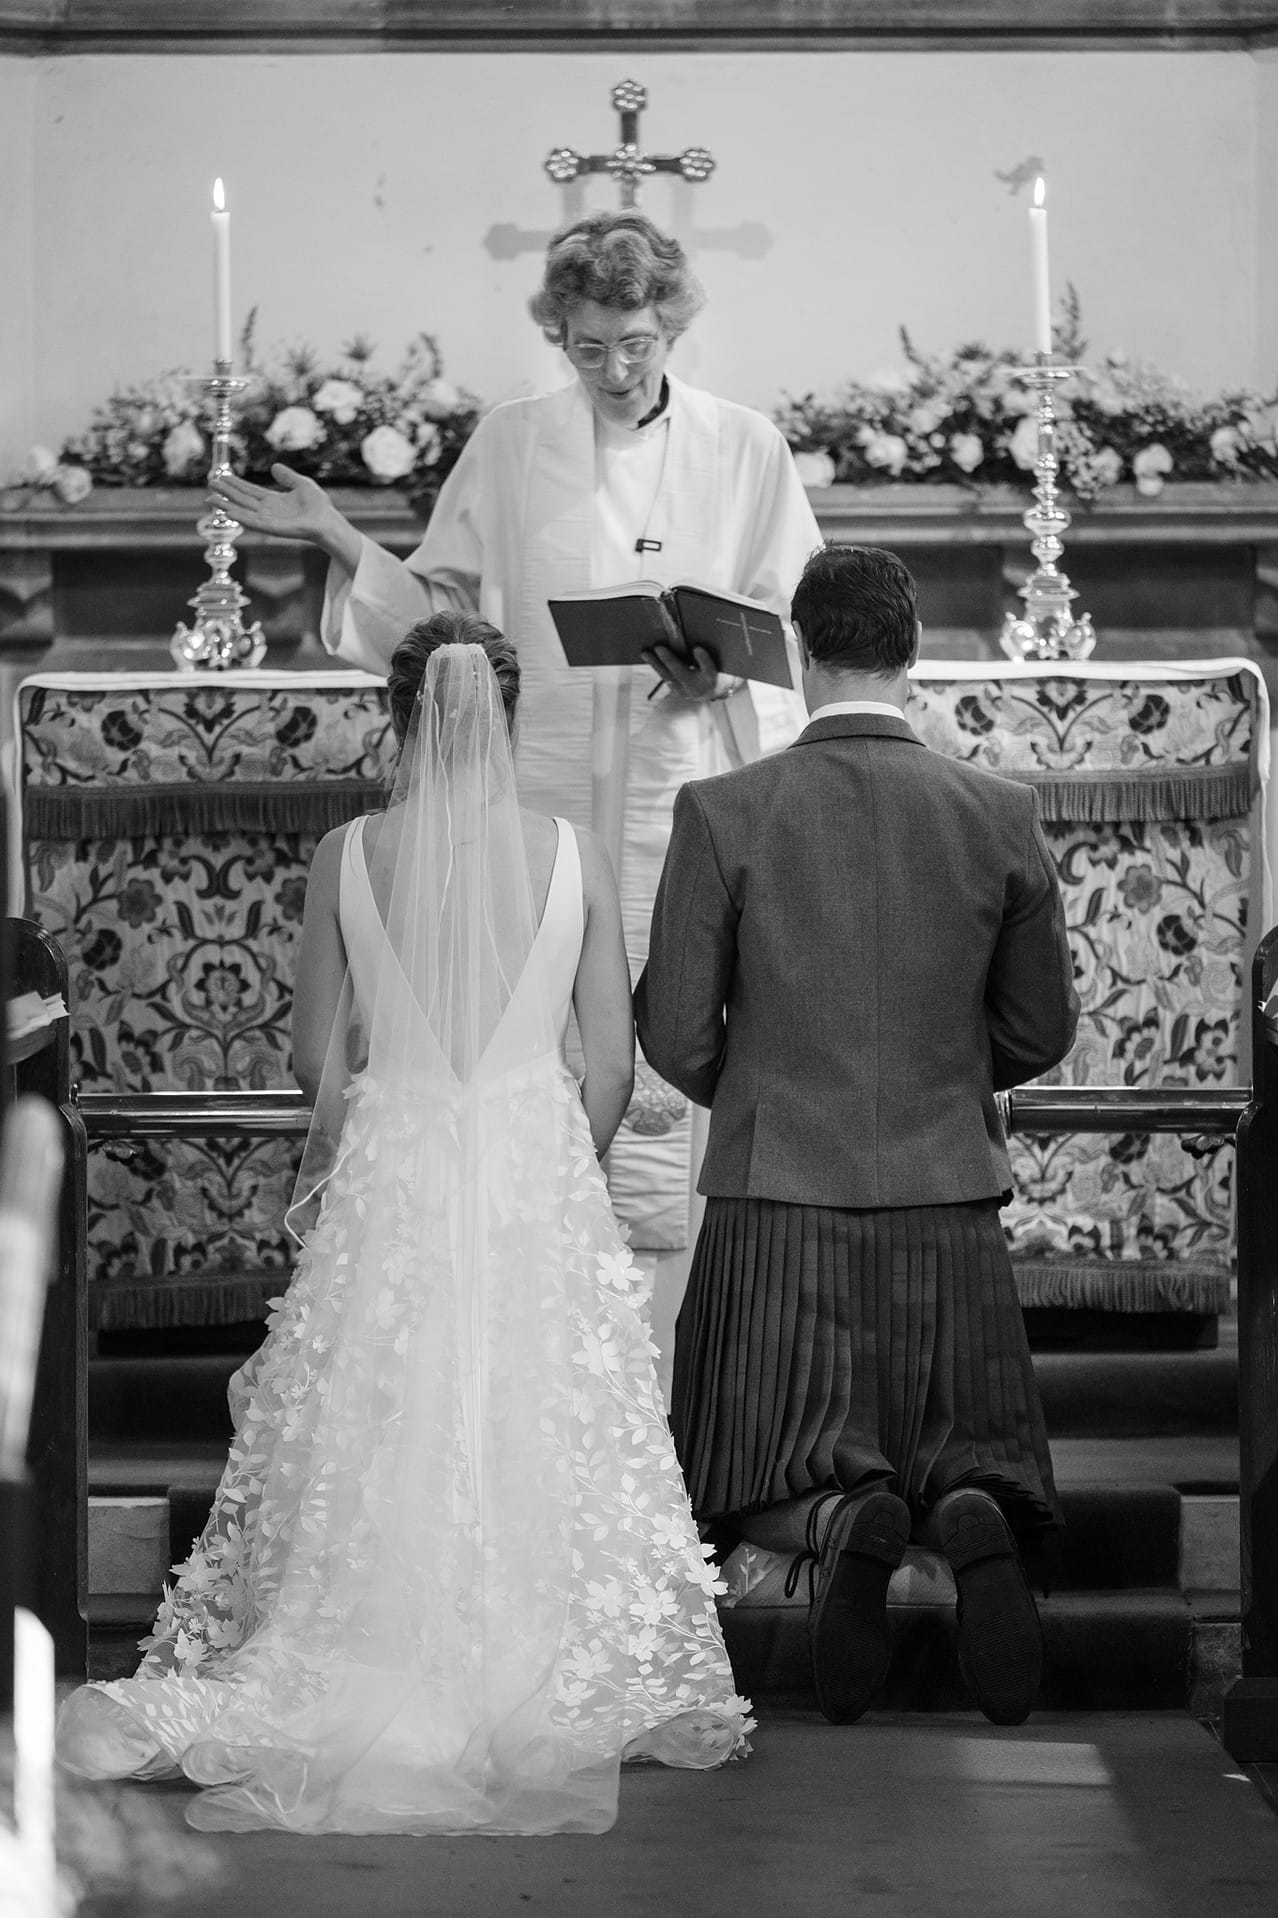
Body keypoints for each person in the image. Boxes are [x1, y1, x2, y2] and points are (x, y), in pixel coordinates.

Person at [56, 612, 753, 1836]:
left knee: (386, 1410)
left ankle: (379, 1648)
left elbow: (315, 1054)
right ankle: (543, 1660)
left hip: (396, 1160)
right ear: (511, 710)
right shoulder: (575, 851)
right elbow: (608, 1055)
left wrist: (366, 1136)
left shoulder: (346, 854)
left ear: (397, 715)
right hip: (533, 1161)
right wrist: (558, 1161)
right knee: (534, 1407)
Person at [211, 208, 820, 1283]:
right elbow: (445, 622)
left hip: (692, 775)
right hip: (535, 795)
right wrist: (342, 539)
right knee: (541, 1034)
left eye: (636, 344)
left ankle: (686, 1320)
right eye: (588, 347)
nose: (615, 368)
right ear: (558, 334)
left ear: (672, 324)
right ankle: (533, 1268)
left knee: (685, 1010)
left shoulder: (746, 444)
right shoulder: (513, 438)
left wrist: (722, 666)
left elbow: (796, 627)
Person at [634, 544, 1080, 1730]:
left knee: (741, 1466)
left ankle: (837, 1523)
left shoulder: (724, 809)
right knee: (961, 1445)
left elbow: (673, 1028)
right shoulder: (998, 810)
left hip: (777, 1200)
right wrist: (940, 1087)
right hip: (947, 1201)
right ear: (912, 651)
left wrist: (772, 1095)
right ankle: (966, 1512)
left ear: (801, 649)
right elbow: (1043, 1026)